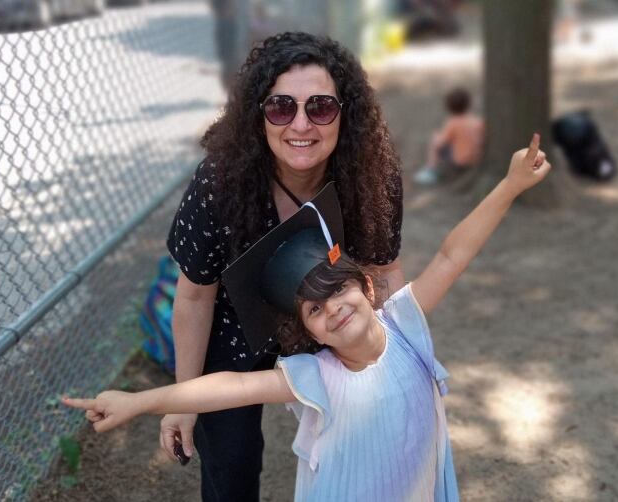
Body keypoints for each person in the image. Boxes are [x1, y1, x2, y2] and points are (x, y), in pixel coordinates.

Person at [63, 134, 552, 502]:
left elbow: (451, 256)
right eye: (314, 309)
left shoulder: (405, 325)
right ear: (306, 332)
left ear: (364, 285)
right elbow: (230, 386)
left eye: (337, 289)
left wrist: (510, 186)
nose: (333, 308)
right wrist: (141, 402)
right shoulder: (318, 375)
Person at [161, 32, 405, 501]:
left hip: (329, 322)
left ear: (343, 114)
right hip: (232, 330)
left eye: (320, 107)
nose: (300, 124)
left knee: (357, 446)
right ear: (259, 117)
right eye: (280, 107)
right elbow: (194, 296)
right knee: (230, 465)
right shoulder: (219, 183)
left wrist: (396, 361)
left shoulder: (373, 177)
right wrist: (183, 400)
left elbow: (386, 270)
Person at [413, 87, 485, 186]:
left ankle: (431, 170)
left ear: (448, 106)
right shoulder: (478, 121)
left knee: (435, 141)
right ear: (469, 104)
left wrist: (436, 137)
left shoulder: (453, 123)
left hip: (460, 160)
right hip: (476, 159)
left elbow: (442, 142)